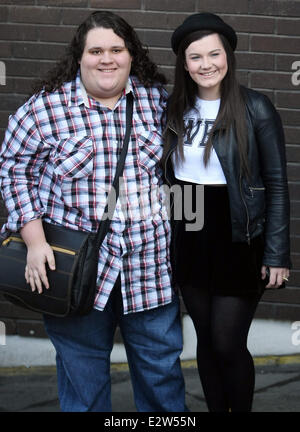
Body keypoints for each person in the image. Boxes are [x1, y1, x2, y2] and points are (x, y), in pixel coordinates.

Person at [0, 11, 186, 412]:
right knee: (83, 386)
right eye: (96, 50)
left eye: (117, 49)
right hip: (74, 273)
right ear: (79, 57)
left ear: (131, 55)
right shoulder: (44, 110)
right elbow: (14, 171)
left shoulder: (157, 101)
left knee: (162, 379)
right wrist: (33, 242)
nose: (107, 59)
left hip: (149, 269)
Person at [162, 12, 291, 412]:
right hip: (190, 232)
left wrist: (276, 255)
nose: (206, 64)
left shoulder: (256, 109)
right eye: (195, 57)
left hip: (238, 237)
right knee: (204, 340)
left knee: (227, 341)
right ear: (184, 63)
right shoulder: (173, 110)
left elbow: (277, 184)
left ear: (228, 56)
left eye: (214, 54)